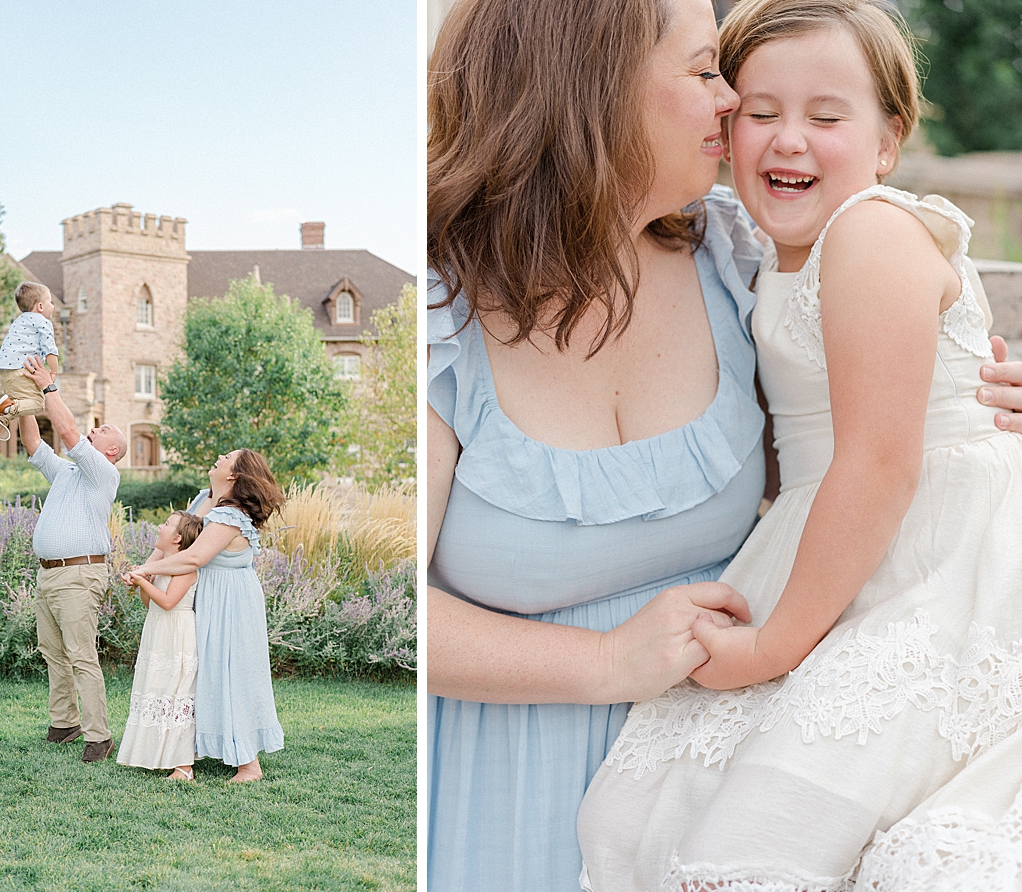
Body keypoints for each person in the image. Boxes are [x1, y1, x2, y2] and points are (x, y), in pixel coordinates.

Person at [425, 0, 1022, 889]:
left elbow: (877, 446)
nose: (732, 100)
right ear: (598, 88)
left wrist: (982, 403)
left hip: (758, 721)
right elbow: (395, 609)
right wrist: (603, 663)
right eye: (708, 71)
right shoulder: (437, 308)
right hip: (505, 775)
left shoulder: (742, 253)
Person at [129, 450, 285, 783]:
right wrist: (145, 569)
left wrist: (146, 570)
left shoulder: (230, 516)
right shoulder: (207, 500)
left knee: (231, 672)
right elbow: (179, 542)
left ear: (234, 475)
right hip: (207, 595)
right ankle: (195, 749)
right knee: (203, 675)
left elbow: (194, 557)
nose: (218, 456)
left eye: (227, 457)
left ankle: (249, 764)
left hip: (231, 601)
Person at [18, 354, 127, 763]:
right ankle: (64, 724)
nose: (95, 429)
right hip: (49, 576)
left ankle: (99, 736)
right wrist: (26, 401)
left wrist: (49, 387)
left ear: (111, 450)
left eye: (103, 430)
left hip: (81, 574)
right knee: (54, 653)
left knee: (81, 654)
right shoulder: (66, 473)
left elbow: (66, 431)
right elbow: (34, 443)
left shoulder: (104, 474)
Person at [117, 510, 203, 781]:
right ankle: (157, 753)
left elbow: (168, 602)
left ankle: (184, 766)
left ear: (177, 538)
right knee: (156, 689)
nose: (159, 527)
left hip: (177, 634)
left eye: (166, 524)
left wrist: (143, 578)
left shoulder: (186, 568)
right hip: (157, 631)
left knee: (177, 693)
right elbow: (151, 603)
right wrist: (143, 583)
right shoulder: (163, 563)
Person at [0, 282, 59, 440]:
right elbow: (50, 349)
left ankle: (2, 417)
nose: (52, 306)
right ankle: (5, 409)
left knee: (22, 403)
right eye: (51, 302)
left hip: (6, 374)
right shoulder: (43, 322)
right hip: (22, 372)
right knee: (37, 403)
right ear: (40, 306)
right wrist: (54, 370)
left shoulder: (19, 321)